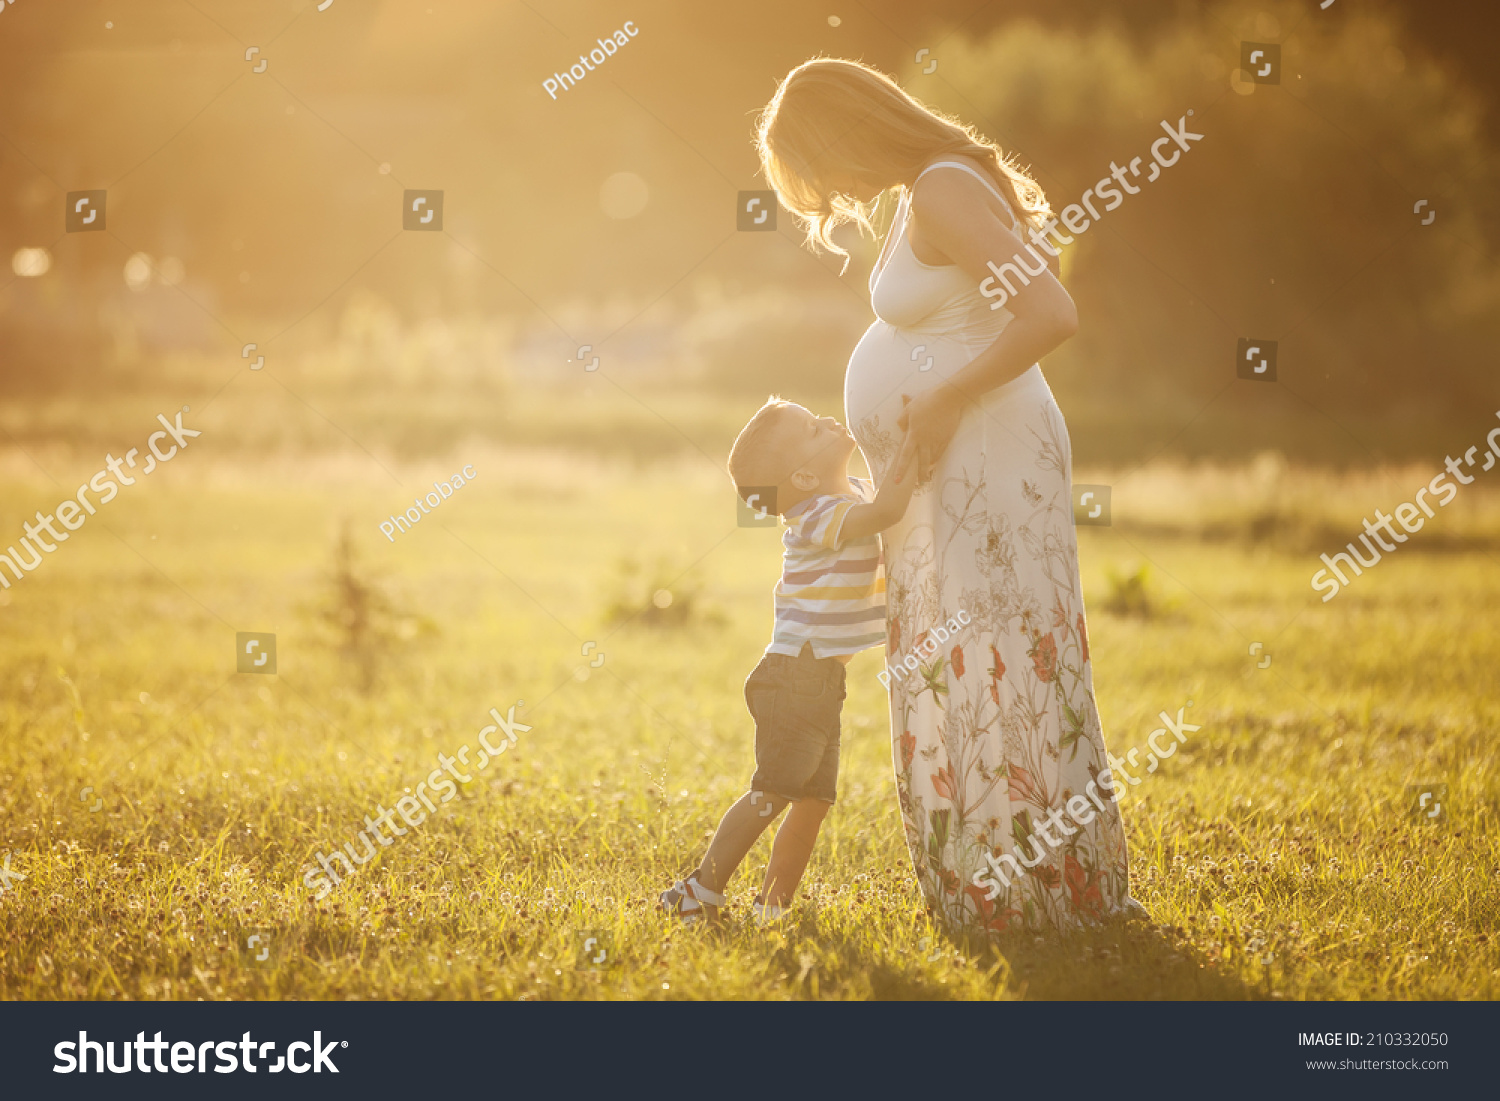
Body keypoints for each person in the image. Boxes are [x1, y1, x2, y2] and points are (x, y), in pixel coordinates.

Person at [756, 58, 1140, 933]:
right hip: (954, 473)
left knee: (998, 657)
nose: (834, 198)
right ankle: (996, 883)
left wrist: (945, 393)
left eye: (823, 171)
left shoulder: (941, 187)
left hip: (991, 461)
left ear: (849, 132)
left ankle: (1041, 891)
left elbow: (1050, 312)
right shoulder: (919, 192)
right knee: (965, 657)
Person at [659, 398, 915, 923]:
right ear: (802, 475)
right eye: (812, 429)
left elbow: (887, 497)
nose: (828, 420)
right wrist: (918, 434)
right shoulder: (816, 515)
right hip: (795, 676)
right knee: (773, 791)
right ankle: (698, 890)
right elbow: (891, 511)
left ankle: (772, 909)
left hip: (820, 679)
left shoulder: (855, 493)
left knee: (814, 801)